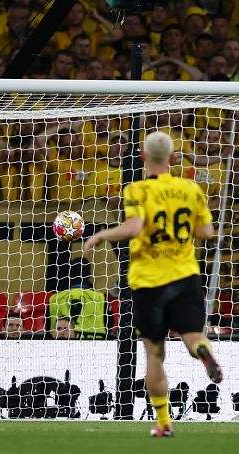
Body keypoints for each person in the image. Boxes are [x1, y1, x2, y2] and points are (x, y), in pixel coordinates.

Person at [83, 131, 223, 438]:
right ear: (173, 159)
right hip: (185, 275)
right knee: (193, 335)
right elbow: (207, 231)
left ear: (143, 158)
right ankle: (202, 350)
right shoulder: (190, 188)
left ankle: (163, 422)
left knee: (154, 353)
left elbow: (134, 226)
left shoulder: (136, 190)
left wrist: (101, 235)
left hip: (149, 281)